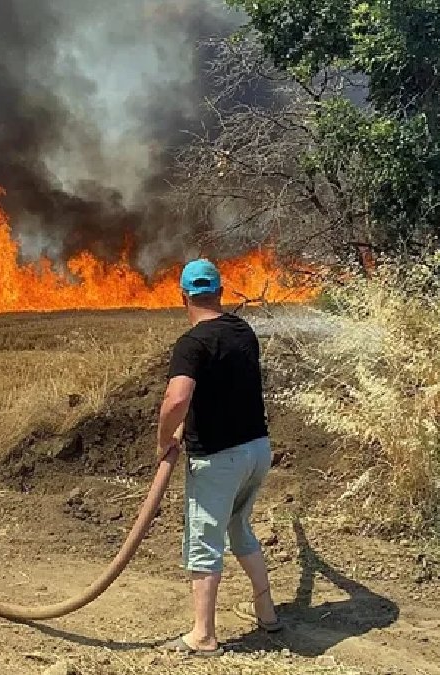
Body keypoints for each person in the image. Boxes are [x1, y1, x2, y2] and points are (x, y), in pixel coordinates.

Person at [155, 258, 283, 657]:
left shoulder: (192, 343)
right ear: (220, 293)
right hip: (256, 450)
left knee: (204, 540)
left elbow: (176, 399)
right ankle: (268, 613)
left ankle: (203, 636)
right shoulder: (243, 330)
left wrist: (163, 439)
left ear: (183, 296)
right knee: (239, 526)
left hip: (219, 460)